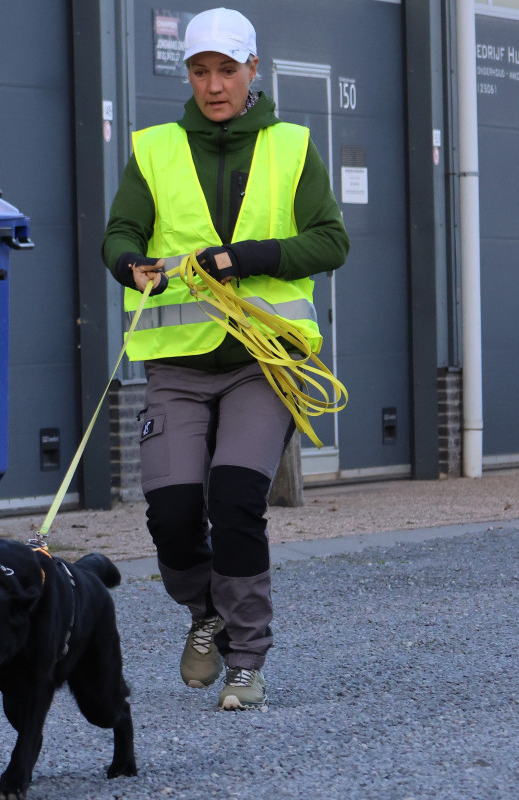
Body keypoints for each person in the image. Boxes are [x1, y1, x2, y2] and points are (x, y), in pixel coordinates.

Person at [102, 7, 349, 710]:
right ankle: (203, 613)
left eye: (227, 71)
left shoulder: (293, 147)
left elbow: (331, 242)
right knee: (173, 512)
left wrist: (246, 259)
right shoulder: (153, 149)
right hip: (177, 365)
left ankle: (246, 658)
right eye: (200, 71)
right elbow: (120, 231)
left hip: (261, 362)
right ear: (189, 74)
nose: (213, 86)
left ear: (252, 72)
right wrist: (132, 264)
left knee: (235, 502)